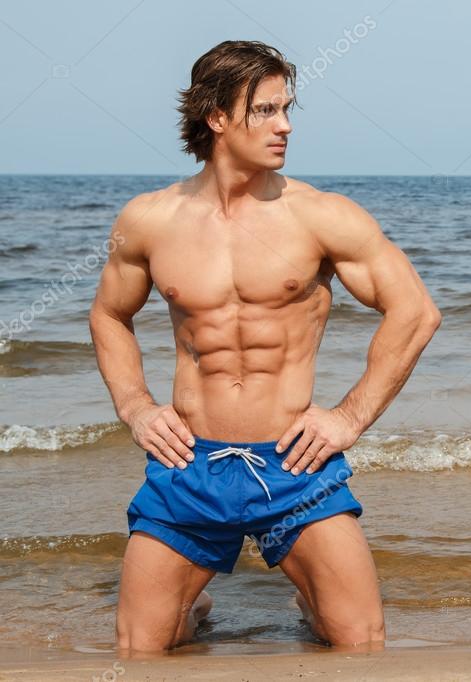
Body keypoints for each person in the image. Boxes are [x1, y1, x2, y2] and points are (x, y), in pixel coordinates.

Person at [88, 40, 442, 653]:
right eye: (266, 110)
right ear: (217, 117)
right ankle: (193, 604)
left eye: (287, 107)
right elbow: (108, 315)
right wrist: (136, 406)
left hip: (297, 466)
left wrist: (349, 417)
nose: (285, 125)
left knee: (359, 643)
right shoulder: (150, 220)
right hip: (188, 466)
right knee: (141, 649)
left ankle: (309, 598)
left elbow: (414, 311)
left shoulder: (321, 215)